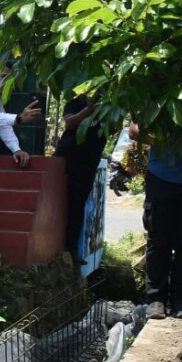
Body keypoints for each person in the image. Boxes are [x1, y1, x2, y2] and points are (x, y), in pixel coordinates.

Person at [130, 121, 182, 320]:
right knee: (159, 239)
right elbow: (135, 130)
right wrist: (170, 140)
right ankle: (155, 299)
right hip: (163, 175)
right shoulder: (156, 98)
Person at [55, 96, 110, 263]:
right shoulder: (75, 103)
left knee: (78, 206)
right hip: (68, 159)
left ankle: (71, 249)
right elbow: (69, 123)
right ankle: (61, 249)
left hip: (89, 163)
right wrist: (88, 110)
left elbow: (114, 128)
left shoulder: (108, 106)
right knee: (60, 202)